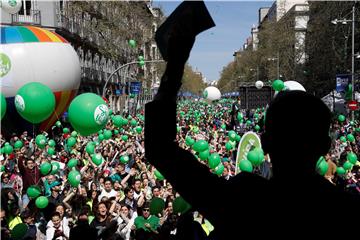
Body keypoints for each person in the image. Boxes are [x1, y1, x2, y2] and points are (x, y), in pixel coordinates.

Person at [144, 2, 360, 238]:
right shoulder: (348, 211)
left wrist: (175, 64)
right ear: (326, 146)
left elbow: (160, 148)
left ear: (265, 142)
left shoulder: (243, 199)